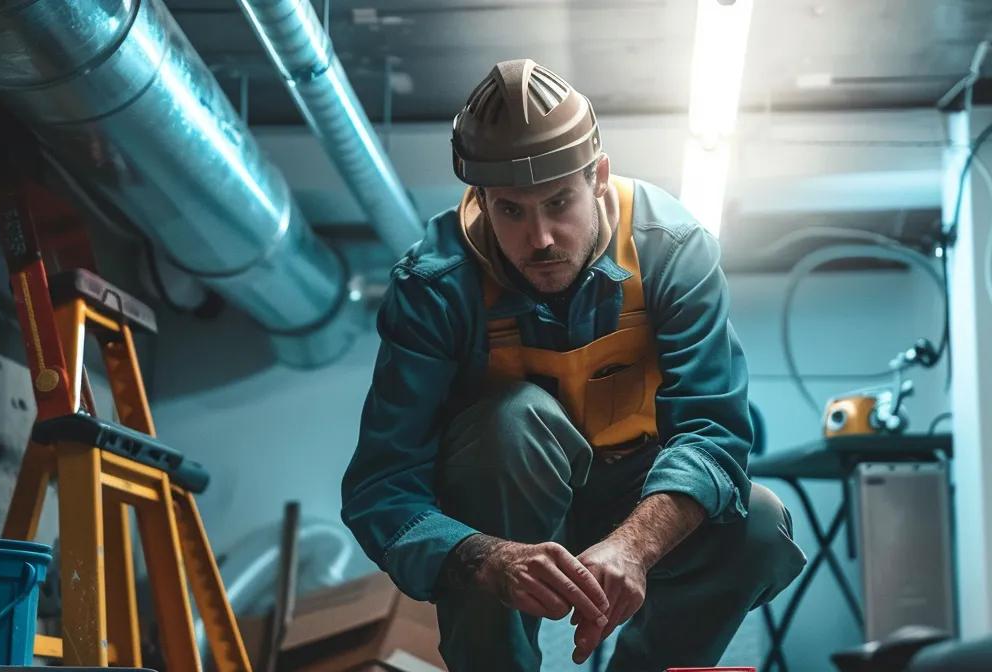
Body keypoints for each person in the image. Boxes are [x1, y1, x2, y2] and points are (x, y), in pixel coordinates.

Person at [342, 58, 805, 671]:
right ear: (480, 200)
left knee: (758, 527)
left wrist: (635, 547)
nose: (540, 238)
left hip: (637, 494)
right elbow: (382, 487)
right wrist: (483, 557)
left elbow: (713, 433)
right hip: (504, 507)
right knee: (513, 422)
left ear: (598, 177)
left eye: (559, 202)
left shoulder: (670, 250)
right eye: (511, 211)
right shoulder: (435, 285)